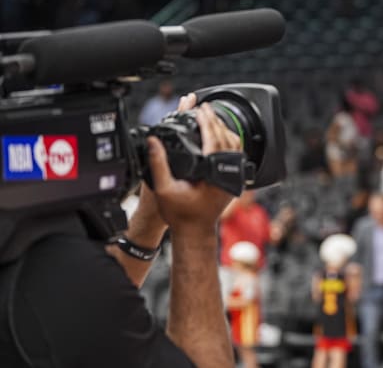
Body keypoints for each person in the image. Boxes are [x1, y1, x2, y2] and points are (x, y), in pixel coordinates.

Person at [0, 93, 241, 367]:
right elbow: (76, 293)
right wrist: (195, 229)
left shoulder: (22, 250)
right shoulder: (50, 267)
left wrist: (149, 221)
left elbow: (90, 316)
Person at [350, 192, 383, 368]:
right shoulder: (363, 228)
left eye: (380, 210)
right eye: (374, 210)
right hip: (370, 288)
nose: (377, 214)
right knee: (369, 334)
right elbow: (355, 258)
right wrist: (354, 283)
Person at [312, 234, 361, 368]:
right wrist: (356, 278)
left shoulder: (320, 275)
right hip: (339, 322)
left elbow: (315, 296)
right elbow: (353, 296)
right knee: (334, 355)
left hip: (326, 321)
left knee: (323, 354)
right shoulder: (344, 276)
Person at [225, 241, 262, 368]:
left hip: (246, 322)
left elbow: (247, 300)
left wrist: (227, 302)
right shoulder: (240, 278)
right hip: (238, 321)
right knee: (241, 351)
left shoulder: (250, 279)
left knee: (247, 353)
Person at [219, 189, 271, 269]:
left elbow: (268, 235)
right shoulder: (234, 209)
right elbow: (223, 216)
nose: (247, 195)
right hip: (232, 265)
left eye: (250, 192)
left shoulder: (259, 211)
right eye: (245, 193)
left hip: (253, 267)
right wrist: (236, 195)